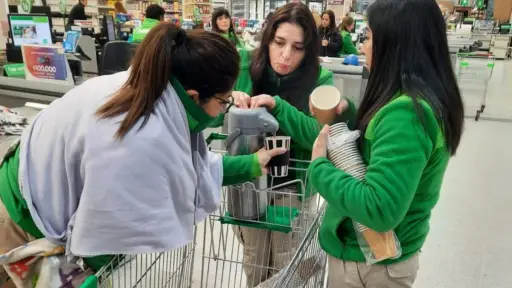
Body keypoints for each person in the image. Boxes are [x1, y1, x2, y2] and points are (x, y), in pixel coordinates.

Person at [0, 23, 285, 286]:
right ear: (194, 96)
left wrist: (251, 163)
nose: (224, 110)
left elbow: (192, 166)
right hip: (22, 221)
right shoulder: (140, 138)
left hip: (28, 186)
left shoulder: (154, 89)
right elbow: (101, 236)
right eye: (224, 101)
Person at [250, 0, 465, 287]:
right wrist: (350, 115)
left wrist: (319, 168)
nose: (362, 46)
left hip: (370, 262)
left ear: (395, 43)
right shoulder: (408, 102)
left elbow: (379, 209)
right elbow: (379, 155)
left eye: (370, 37)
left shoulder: (406, 114)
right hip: (372, 257)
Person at [226, 3, 354, 287]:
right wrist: (229, 100)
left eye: (297, 48)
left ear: (308, 50)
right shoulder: (245, 65)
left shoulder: (320, 78)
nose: (285, 55)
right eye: (279, 42)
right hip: (249, 180)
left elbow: (318, 134)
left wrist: (278, 106)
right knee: (254, 259)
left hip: (292, 184)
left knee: (287, 264)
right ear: (268, 38)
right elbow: (215, 117)